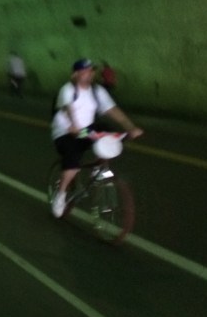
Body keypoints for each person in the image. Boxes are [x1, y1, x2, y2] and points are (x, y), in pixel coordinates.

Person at [50, 58, 143, 218]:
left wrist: (130, 128)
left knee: (107, 132)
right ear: (75, 74)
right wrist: (74, 127)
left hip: (86, 129)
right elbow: (69, 110)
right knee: (72, 160)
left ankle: (97, 168)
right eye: (85, 71)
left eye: (91, 71)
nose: (89, 74)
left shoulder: (97, 91)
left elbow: (113, 111)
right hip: (66, 131)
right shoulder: (68, 90)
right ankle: (61, 195)